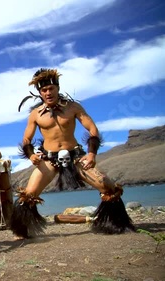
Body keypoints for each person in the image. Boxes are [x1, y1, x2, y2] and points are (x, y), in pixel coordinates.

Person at [12, 68, 135, 239]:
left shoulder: (73, 107)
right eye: (44, 90)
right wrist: (32, 155)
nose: (48, 93)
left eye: (51, 89)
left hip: (75, 155)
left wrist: (91, 154)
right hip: (49, 158)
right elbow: (26, 139)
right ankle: (22, 231)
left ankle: (114, 224)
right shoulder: (35, 114)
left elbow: (92, 129)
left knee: (106, 185)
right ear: (40, 93)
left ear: (57, 88)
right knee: (28, 195)